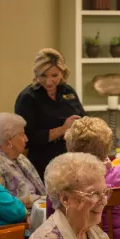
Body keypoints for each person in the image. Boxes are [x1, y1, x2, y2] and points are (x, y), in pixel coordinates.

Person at [15, 48, 86, 178]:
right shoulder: (28, 98)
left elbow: (83, 117)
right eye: (43, 75)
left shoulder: (67, 90)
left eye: (54, 75)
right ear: (36, 74)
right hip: (44, 164)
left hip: (73, 160)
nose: (49, 82)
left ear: (62, 73)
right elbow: (28, 139)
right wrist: (63, 129)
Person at [0, 113, 46, 209]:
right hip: (20, 217)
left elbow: (41, 190)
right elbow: (1, 203)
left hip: (37, 210)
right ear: (8, 139)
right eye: (22, 134)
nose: (26, 139)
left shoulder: (21, 158)